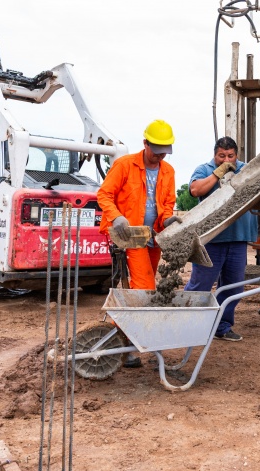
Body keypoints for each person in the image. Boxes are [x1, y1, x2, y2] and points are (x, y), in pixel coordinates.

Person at [98, 119, 177, 367]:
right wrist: (116, 216)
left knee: (142, 289)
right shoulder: (125, 165)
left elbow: (165, 206)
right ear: (145, 143)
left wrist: (169, 218)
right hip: (130, 236)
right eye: (156, 150)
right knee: (143, 287)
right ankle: (124, 343)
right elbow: (104, 194)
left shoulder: (168, 171)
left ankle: (121, 338)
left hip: (154, 237)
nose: (160, 155)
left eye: (165, 150)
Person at [182, 137, 258, 342]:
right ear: (215, 154)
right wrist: (218, 173)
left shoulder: (247, 169)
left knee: (234, 286)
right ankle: (186, 323)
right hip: (211, 240)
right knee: (201, 285)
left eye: (230, 156)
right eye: (221, 156)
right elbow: (196, 190)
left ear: (236, 155)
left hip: (238, 238)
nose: (226, 159)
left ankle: (221, 326)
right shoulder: (205, 169)